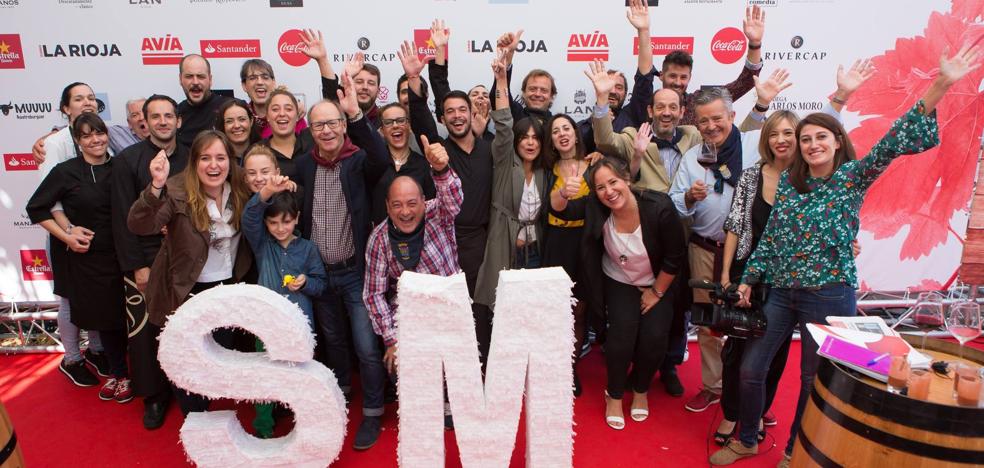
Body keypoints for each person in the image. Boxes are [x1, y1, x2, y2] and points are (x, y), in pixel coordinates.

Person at [710, 45, 981, 467]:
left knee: (811, 378)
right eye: (806, 139)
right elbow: (772, 239)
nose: (812, 144)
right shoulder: (789, 186)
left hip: (829, 295)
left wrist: (941, 83)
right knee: (750, 369)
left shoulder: (853, 178)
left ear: (837, 142)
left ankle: (794, 451)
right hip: (780, 293)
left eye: (821, 137)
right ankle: (746, 438)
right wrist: (748, 277)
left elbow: (893, 142)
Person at [711, 60, 874, 446]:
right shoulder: (758, 174)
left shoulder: (814, 175)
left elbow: (831, 146)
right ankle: (739, 424)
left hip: (809, 285)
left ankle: (787, 442)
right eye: (776, 134)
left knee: (797, 369)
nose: (784, 140)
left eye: (792, 134)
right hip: (759, 276)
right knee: (746, 358)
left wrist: (841, 97)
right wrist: (733, 277)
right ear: (766, 139)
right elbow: (739, 225)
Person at [667, 75, 790, 414]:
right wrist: (688, 199)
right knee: (709, 324)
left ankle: (752, 397)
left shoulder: (755, 145)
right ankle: (713, 387)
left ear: (732, 116)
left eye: (717, 118)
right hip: (705, 248)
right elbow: (673, 201)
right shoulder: (692, 158)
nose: (710, 126)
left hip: (750, 254)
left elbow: (803, 149)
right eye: (703, 120)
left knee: (754, 324)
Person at [126, 129, 253, 415]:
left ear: (230, 162)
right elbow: (140, 225)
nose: (214, 165)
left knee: (218, 357)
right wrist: (156, 186)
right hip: (186, 291)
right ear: (194, 162)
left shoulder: (241, 189)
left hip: (227, 290)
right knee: (187, 362)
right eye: (205, 158)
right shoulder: (175, 189)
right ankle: (194, 418)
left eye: (221, 158)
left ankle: (204, 406)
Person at [294, 72, 390, 450]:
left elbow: (382, 158)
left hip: (355, 274)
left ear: (342, 126)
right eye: (320, 125)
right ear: (311, 129)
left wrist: (355, 116)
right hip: (319, 275)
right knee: (334, 342)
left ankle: (373, 412)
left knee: (367, 347)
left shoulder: (358, 160)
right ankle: (340, 397)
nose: (328, 131)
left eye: (334, 123)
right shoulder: (303, 166)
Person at [400, 37, 496, 367]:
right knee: (446, 310)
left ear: (475, 113)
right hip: (442, 239)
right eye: (449, 112)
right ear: (442, 118)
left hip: (481, 241)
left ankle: (479, 371)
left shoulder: (490, 149)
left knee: (480, 309)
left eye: (462, 110)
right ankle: (447, 371)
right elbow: (421, 115)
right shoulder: (439, 149)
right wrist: (414, 79)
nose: (456, 116)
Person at [26, 112, 130, 402]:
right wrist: (68, 235)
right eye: (86, 135)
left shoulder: (122, 166)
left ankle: (136, 373)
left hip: (124, 256)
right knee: (105, 320)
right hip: (89, 261)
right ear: (77, 141)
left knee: (128, 320)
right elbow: (37, 208)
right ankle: (119, 375)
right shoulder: (65, 171)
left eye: (99, 133)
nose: (95, 140)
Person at [581, 157, 686, 430]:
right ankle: (614, 395)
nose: (609, 191)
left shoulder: (658, 206)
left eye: (613, 182)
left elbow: (675, 256)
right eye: (600, 187)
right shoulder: (596, 208)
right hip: (618, 280)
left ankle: (640, 389)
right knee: (620, 338)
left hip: (658, 279)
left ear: (627, 179)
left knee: (654, 337)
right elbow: (563, 212)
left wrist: (656, 292)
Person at [111, 93, 190, 430]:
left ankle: (189, 390)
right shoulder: (128, 161)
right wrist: (137, 266)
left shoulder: (191, 156)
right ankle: (155, 397)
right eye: (155, 116)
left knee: (186, 330)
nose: (162, 121)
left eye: (168, 115)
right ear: (143, 121)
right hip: (146, 260)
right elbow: (121, 218)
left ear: (178, 120)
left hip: (186, 258)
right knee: (146, 334)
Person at [33, 82, 109, 385]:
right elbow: (47, 199)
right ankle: (72, 358)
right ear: (66, 108)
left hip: (93, 234)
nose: (87, 102)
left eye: (91, 97)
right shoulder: (55, 144)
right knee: (68, 299)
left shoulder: (103, 135)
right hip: (66, 234)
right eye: (79, 99)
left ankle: (97, 350)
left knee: (95, 296)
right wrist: (67, 232)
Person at [364, 140, 463, 373]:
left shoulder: (438, 213)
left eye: (411, 203)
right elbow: (373, 294)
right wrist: (392, 340)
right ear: (387, 207)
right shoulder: (379, 239)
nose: (405, 211)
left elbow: (453, 199)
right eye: (397, 205)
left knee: (453, 375)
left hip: (449, 309)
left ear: (423, 201)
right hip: (409, 318)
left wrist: (441, 169)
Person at [242, 171, 326, 439]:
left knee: (300, 377)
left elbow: (321, 283)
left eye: (287, 222)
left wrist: (305, 283)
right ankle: (263, 428)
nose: (280, 228)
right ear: (266, 224)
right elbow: (249, 218)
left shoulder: (308, 249)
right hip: (265, 325)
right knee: (265, 377)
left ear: (297, 219)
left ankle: (307, 426)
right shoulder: (263, 245)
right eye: (274, 222)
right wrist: (266, 191)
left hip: (300, 326)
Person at [474, 52, 552, 313]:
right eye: (524, 137)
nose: (530, 142)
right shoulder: (505, 160)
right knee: (500, 307)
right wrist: (501, 78)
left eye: (535, 138)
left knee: (529, 308)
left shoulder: (544, 171)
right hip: (504, 242)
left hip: (535, 249)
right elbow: (505, 122)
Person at [577, 0, 657, 155]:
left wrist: (644, 31)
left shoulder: (634, 115)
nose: (612, 91)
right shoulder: (582, 127)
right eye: (608, 86)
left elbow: (645, 77)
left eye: (619, 87)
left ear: (627, 94)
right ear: (598, 89)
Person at [665, 6, 766, 126]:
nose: (677, 82)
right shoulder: (648, 103)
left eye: (683, 77)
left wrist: (755, 44)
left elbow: (746, 81)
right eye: (672, 76)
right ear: (661, 75)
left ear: (689, 78)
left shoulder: (698, 100)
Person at [361, 102, 435, 225]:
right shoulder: (373, 163)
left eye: (401, 120)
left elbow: (431, 208)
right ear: (382, 131)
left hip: (417, 239)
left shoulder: (423, 165)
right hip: (382, 240)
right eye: (388, 122)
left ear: (409, 126)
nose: (395, 125)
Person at [490, 29, 555, 124]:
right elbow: (497, 99)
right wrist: (506, 59)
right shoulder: (514, 114)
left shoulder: (558, 126)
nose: (537, 94)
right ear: (524, 93)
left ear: (552, 96)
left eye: (544, 90)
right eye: (532, 89)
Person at [240, 58, 309, 139]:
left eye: (265, 77)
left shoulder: (293, 116)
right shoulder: (240, 118)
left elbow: (306, 148)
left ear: (273, 83)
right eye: (252, 78)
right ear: (244, 85)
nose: (259, 82)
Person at [176, 54, 232, 148]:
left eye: (201, 76)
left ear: (210, 79)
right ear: (180, 79)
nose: (195, 82)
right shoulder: (175, 114)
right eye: (189, 76)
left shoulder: (228, 107)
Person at [262, 87, 313, 183]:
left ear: (298, 115)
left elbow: (333, 115)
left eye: (288, 109)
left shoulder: (312, 139)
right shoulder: (259, 151)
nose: (282, 113)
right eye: (275, 109)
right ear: (267, 116)